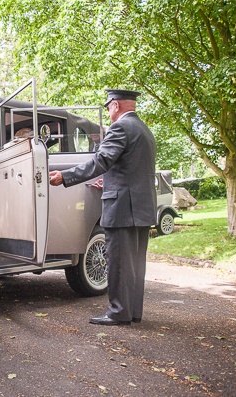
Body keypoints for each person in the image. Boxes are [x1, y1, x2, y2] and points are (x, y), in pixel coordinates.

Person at [49, 89, 157, 326]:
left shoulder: (120, 128)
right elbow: (130, 168)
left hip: (122, 207)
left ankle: (118, 312)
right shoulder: (145, 130)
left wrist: (65, 176)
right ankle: (132, 312)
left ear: (116, 105)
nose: (108, 112)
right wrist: (107, 180)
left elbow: (101, 160)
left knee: (118, 262)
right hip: (141, 207)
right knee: (136, 264)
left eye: (108, 107)